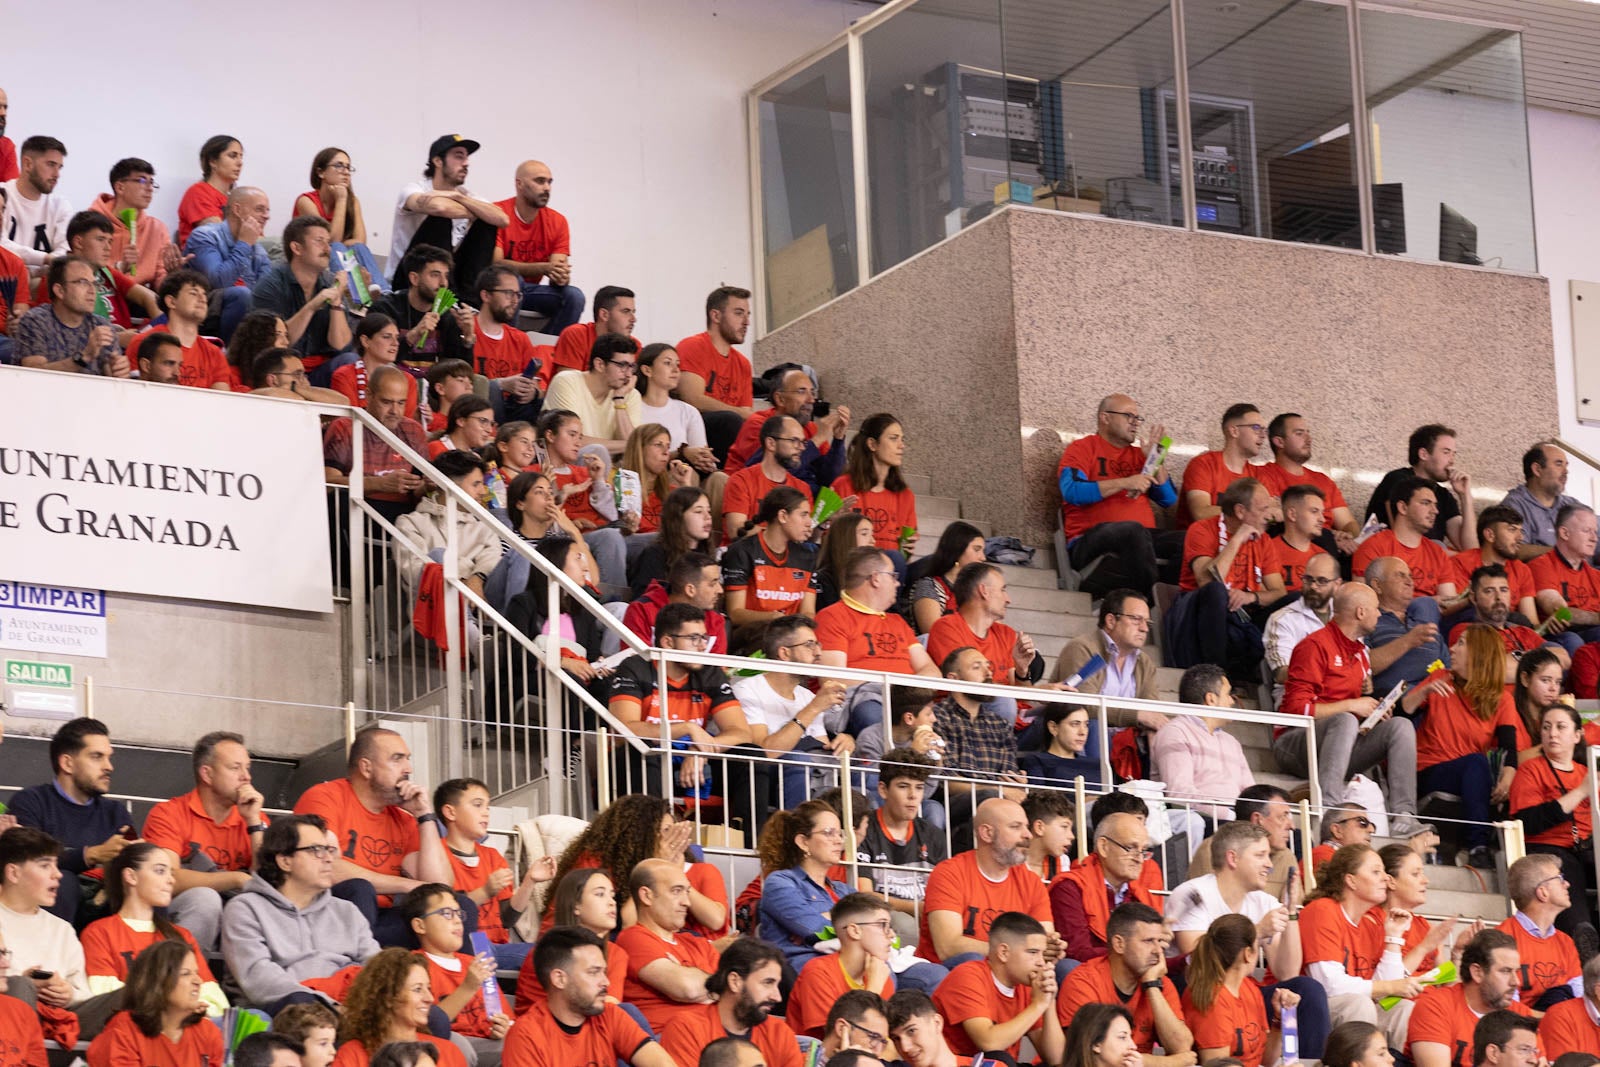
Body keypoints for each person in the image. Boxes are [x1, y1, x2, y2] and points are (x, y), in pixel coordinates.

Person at [1276, 583, 1431, 837]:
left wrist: (1373, 712)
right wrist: (1352, 706)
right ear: (1360, 612)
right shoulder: (1314, 645)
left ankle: (1404, 816)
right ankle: (1329, 809)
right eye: (1375, 610)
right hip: (1293, 745)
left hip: (1338, 746)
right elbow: (1295, 711)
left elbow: (1350, 712)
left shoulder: (1360, 653)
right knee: (1346, 719)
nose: (1380, 615)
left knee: (1400, 726)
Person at [1165, 821, 1328, 1058]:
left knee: (1307, 989)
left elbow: (1287, 972)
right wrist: (1257, 931)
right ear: (1233, 858)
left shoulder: (1264, 901)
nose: (1269, 865)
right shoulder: (1194, 893)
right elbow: (1199, 962)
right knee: (1214, 990)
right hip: (1196, 992)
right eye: (1260, 855)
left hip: (1241, 993)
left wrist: (1291, 912)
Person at [292, 727, 458, 946]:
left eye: (408, 759)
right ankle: (351, 974)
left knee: (454, 908)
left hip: (380, 920)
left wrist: (424, 816)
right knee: (360, 889)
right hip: (322, 912)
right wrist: (407, 886)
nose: (408, 769)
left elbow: (440, 886)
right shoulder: (325, 797)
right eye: (397, 759)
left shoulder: (405, 819)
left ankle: (450, 979)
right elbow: (325, 866)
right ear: (366, 768)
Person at [219, 814, 378, 1012]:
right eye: (316, 850)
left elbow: (377, 967)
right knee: (300, 1001)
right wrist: (328, 1005)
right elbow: (258, 980)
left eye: (329, 850)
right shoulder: (245, 908)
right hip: (285, 1010)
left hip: (349, 1006)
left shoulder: (346, 911)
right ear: (285, 861)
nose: (329, 859)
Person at [137, 731, 265, 957]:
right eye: (235, 768)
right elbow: (167, 879)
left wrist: (254, 823)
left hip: (236, 911)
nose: (246, 777)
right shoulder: (169, 813)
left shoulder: (256, 817)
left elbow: (269, 885)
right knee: (205, 899)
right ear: (207, 774)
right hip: (178, 909)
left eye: (248, 768)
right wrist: (235, 878)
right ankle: (180, 978)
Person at [1404, 624, 1519, 867]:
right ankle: (1477, 846)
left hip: (1470, 778)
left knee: (1502, 777)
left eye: (1461, 644)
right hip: (1428, 772)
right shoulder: (1439, 678)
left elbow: (1510, 749)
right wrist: (1423, 692)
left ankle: (1508, 854)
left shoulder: (1502, 699)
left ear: (1479, 654)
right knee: (1477, 763)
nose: (1452, 649)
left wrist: (1507, 780)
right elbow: (1401, 714)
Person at [544, 795, 727, 941]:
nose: (672, 838)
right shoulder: (596, 861)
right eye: (665, 831)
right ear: (639, 834)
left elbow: (715, 920)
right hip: (567, 940)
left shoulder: (695, 869)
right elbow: (629, 927)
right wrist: (656, 862)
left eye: (673, 830)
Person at [9, 717, 136, 923]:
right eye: (97, 757)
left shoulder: (116, 812)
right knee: (62, 882)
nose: (109, 766)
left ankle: (161, 954)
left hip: (105, 905)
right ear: (67, 763)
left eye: (109, 757)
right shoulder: (30, 802)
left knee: (147, 880)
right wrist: (91, 855)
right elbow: (28, 864)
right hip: (51, 906)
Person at [0, 827, 123, 1036]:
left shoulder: (62, 929)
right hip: (10, 1020)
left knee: (131, 995)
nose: (57, 874)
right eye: (45, 865)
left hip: (63, 1019)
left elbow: (83, 993)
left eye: (56, 865)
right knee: (20, 986)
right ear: (13, 873)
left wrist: (67, 994)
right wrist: (24, 983)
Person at [1297, 844, 1419, 1041]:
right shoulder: (1322, 911)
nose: (1386, 878)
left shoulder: (1369, 924)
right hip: (1306, 1012)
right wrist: (1391, 987)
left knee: (1403, 1009)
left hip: (1353, 1011)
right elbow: (1327, 985)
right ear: (1351, 880)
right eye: (1376, 872)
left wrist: (1394, 938)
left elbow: (1384, 992)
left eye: (1384, 872)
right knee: (1359, 1004)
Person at [503, 926, 673, 1067]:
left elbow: (661, 1063)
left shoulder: (609, 1015)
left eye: (604, 972)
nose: (606, 982)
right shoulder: (526, 1036)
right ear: (559, 979)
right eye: (594, 973)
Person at [1166, 477, 1286, 673]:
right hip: (1200, 613)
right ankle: (1215, 673)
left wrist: (1251, 596)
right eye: (1263, 509)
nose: (1270, 516)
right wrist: (1238, 538)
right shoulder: (1202, 529)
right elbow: (1207, 580)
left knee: (1295, 599)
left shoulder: (1263, 540)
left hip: (1242, 613)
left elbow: (1278, 591)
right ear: (1240, 511)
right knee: (1216, 591)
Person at [918, 798, 1058, 964]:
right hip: (953, 976)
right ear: (987, 833)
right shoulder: (949, 873)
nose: (1028, 834)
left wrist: (1051, 949)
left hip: (1012, 974)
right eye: (1015, 827)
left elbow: (1043, 940)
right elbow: (948, 947)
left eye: (1026, 827)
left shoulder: (1032, 882)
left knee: (1065, 967)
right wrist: (1015, 952)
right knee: (972, 959)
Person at [1053, 901, 1191, 1067]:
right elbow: (1087, 1055)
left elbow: (1182, 1046)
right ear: (1119, 944)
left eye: (1160, 941)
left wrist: (1152, 985)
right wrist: (1168, 1062)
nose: (1158, 951)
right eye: (1148, 941)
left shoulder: (1159, 982)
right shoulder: (1083, 981)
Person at [734, 616, 849, 808]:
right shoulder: (748, 689)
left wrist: (843, 742)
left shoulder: (807, 696)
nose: (818, 653)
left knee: (861, 769)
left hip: (808, 774)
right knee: (798, 760)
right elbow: (764, 752)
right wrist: (813, 708)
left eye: (818, 644)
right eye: (809, 645)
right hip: (767, 778)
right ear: (784, 653)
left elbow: (820, 750)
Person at [434, 779, 547, 970]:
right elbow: (444, 911)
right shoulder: (436, 855)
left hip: (498, 947)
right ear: (450, 812)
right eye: (477, 805)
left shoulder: (492, 856)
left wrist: (530, 881)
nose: (486, 812)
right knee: (481, 943)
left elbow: (506, 920)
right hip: (464, 946)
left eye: (488, 806)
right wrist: (485, 891)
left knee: (557, 952)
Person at [1509, 703, 1597, 945]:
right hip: (1548, 848)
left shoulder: (1587, 772)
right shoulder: (1530, 770)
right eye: (1546, 728)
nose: (1552, 733)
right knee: (1564, 867)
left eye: (1560, 727)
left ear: (1577, 735)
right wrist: (1580, 793)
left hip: (1588, 848)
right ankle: (1582, 933)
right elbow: (1527, 822)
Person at [932, 911, 1065, 1064]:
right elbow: (989, 1043)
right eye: (1033, 953)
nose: (1041, 962)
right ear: (1003, 953)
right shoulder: (968, 976)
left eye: (1043, 954)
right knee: (998, 1058)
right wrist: (1038, 1004)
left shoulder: (1027, 986)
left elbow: (1057, 1058)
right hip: (963, 1063)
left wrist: (1049, 1001)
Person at [403, 882, 512, 1063]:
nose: (457, 920)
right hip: (451, 1044)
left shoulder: (474, 962)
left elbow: (504, 1015)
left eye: (458, 914)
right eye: (446, 914)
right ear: (420, 925)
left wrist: (504, 1027)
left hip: (490, 1043)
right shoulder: (413, 966)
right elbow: (430, 1026)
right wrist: (468, 986)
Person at [613, 858, 721, 1035]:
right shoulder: (633, 938)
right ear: (646, 896)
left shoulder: (698, 943)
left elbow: (735, 993)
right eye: (676, 891)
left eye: (687, 892)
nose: (686, 902)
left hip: (712, 1036)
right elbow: (686, 988)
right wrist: (716, 988)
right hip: (667, 1042)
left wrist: (696, 978)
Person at [389, 135, 508, 292]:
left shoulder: (465, 195)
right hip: (410, 280)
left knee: (487, 223)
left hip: (450, 280)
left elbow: (502, 219)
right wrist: (474, 211)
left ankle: (469, 302)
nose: (466, 163)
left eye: (467, 158)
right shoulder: (414, 189)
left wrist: (456, 196)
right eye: (459, 156)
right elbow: (440, 208)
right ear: (438, 161)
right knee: (441, 220)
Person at [658, 938, 802, 1067]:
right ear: (735, 982)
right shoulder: (686, 1028)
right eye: (767, 983)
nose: (777, 997)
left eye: (777, 985)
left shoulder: (780, 1032)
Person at [1181, 913, 1297, 1067]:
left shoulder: (1249, 988)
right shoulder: (1212, 998)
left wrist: (1278, 1021)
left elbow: (1265, 1061)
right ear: (1247, 954)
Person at [85, 939, 222, 1067]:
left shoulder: (208, 1032)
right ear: (158, 981)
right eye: (186, 974)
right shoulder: (124, 1030)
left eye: (196, 973)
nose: (198, 981)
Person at [250, 215, 354, 384]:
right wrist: (311, 307)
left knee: (349, 360)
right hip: (280, 372)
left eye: (328, 242)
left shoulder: (330, 283)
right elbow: (271, 344)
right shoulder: (271, 284)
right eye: (319, 241)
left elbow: (341, 346)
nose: (327, 248)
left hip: (319, 371)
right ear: (297, 248)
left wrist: (336, 303)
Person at [816, 547, 939, 688]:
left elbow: (932, 672)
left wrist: (904, 694)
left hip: (907, 702)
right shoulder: (832, 617)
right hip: (860, 702)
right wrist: (897, 689)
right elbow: (834, 682)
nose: (898, 583)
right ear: (876, 579)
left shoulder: (898, 622)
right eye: (893, 576)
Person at [1407, 930, 1531, 1067]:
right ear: (1477, 973)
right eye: (1506, 971)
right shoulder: (1435, 1006)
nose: (1516, 982)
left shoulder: (1522, 1015)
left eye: (1517, 972)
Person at [30, 210, 159, 341]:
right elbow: (59, 334)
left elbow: (148, 298)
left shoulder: (106, 272)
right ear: (78, 242)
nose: (108, 247)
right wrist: (117, 338)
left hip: (126, 340)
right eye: (101, 239)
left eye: (110, 241)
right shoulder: (57, 278)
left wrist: (161, 330)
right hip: (96, 350)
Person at [1050, 811, 1161, 963]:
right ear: (1104, 847)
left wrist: (1187, 960)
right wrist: (1134, 955)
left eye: (1143, 851)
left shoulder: (1138, 896)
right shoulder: (1070, 888)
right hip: (1087, 976)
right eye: (1130, 848)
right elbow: (1076, 951)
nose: (1140, 859)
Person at [858, 749, 946, 939]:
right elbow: (864, 894)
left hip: (926, 916)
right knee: (905, 924)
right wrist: (915, 908)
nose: (913, 795)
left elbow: (945, 894)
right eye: (904, 786)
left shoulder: (933, 835)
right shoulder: (864, 830)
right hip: (879, 919)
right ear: (883, 790)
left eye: (919, 787)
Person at [395, 450, 504, 601]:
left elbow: (495, 565)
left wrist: (478, 578)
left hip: (480, 608)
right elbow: (416, 574)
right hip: (433, 611)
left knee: (518, 557)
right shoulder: (410, 523)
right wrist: (467, 575)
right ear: (450, 486)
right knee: (438, 558)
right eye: (476, 484)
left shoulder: (484, 529)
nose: (483, 491)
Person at [323, 365, 429, 522]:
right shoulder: (345, 427)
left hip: (404, 516)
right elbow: (328, 483)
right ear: (368, 395)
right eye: (387, 402)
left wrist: (428, 486)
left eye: (401, 403)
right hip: (356, 510)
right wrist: (379, 484)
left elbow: (419, 487)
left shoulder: (413, 429)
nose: (395, 411)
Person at [331, 948, 468, 1067]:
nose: (429, 999)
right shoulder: (352, 1055)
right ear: (388, 997)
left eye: (428, 989)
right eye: (417, 989)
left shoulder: (449, 1052)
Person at [1152, 665, 1254, 825]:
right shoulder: (1175, 732)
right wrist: (1230, 816)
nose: (1232, 701)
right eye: (1228, 694)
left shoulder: (1231, 742)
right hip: (1206, 819)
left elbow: (1251, 792)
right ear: (1211, 699)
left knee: (1296, 837)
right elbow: (1179, 793)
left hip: (1238, 820)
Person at [726, 366, 850, 495]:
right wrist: (817, 439)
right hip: (753, 496)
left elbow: (829, 478)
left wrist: (838, 440)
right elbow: (775, 471)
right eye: (802, 391)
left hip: (800, 497)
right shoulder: (759, 424)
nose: (811, 400)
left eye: (812, 392)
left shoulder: (810, 428)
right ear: (780, 399)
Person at [787, 894, 897, 1038]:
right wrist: (873, 990)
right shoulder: (818, 972)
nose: (892, 935)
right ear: (854, 931)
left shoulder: (880, 974)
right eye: (882, 925)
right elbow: (840, 1039)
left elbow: (884, 1040)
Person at [515, 868, 626, 1011]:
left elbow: (610, 1010)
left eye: (612, 896)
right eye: (600, 894)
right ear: (575, 905)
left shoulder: (617, 954)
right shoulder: (547, 953)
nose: (612, 902)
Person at [492, 159, 582, 334]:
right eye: (540, 181)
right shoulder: (498, 213)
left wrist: (560, 276)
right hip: (498, 290)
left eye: (549, 182)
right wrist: (545, 267)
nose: (547, 188)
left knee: (574, 296)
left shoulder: (557, 221)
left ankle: (546, 351)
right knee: (512, 281)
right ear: (519, 184)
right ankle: (509, 344)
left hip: (531, 291)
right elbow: (496, 265)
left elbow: (556, 269)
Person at [927, 562, 1044, 693]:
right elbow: (970, 688)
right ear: (984, 591)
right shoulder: (947, 628)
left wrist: (1022, 671)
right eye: (1003, 590)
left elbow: (1020, 698)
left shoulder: (1006, 634)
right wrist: (1040, 689)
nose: (1008, 599)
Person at [1256, 412, 1361, 550]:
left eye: (1308, 433)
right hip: (1292, 549)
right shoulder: (1263, 475)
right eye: (1299, 433)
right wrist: (1329, 536)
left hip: (1334, 551)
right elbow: (1271, 519)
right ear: (1279, 442)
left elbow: (1348, 523)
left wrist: (1348, 537)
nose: (1309, 439)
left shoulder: (1323, 480)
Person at [1364, 424, 1476, 551]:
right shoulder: (1398, 479)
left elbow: (1470, 549)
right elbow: (1404, 542)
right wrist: (1444, 555)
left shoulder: (1444, 496)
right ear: (1423, 454)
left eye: (1454, 454)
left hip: (1427, 565)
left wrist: (1465, 496)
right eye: (1446, 452)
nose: (1452, 460)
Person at [722, 488, 818, 633]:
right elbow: (735, 613)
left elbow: (808, 612)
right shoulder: (742, 551)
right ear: (783, 516)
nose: (809, 523)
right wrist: (773, 618)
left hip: (792, 636)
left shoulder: (807, 555)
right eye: (803, 515)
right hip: (751, 636)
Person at [12, 256, 129, 375]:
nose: (92, 290)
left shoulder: (102, 325)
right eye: (83, 283)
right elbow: (32, 374)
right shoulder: (35, 321)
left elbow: (112, 380)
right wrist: (84, 357)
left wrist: (118, 371)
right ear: (60, 291)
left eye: (94, 284)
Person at [1495, 854, 1584, 1009]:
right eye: (1560, 879)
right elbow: (1506, 1007)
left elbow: (1580, 998)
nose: (1567, 884)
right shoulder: (1502, 938)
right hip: (1522, 1027)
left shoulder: (1565, 942)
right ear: (1542, 892)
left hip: (1562, 1024)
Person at [676, 286, 755, 460]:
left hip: (727, 435)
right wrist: (740, 414)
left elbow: (746, 413)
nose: (747, 322)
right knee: (730, 420)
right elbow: (692, 399)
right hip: (692, 435)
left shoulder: (743, 364)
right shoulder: (693, 346)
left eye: (748, 315)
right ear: (716, 316)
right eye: (739, 313)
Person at [185, 186, 272, 343]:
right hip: (204, 307)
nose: (266, 217)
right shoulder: (205, 236)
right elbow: (218, 281)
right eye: (260, 210)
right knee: (241, 294)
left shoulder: (259, 251)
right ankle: (228, 357)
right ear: (237, 209)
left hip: (245, 314)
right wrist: (244, 244)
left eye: (267, 211)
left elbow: (265, 296)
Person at [295, 146, 383, 297]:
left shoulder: (353, 202)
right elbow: (330, 241)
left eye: (348, 167)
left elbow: (360, 241)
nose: (346, 172)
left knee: (357, 247)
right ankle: (356, 295)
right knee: (336, 245)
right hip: (312, 258)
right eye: (339, 166)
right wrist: (341, 199)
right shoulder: (306, 201)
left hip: (340, 258)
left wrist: (343, 244)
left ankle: (384, 293)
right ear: (320, 172)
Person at [1185, 785, 1299, 898]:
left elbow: (1295, 911)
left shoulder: (1286, 857)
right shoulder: (1214, 850)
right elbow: (1209, 908)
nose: (1292, 826)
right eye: (1282, 817)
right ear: (1258, 820)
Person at [1355, 480, 1460, 599]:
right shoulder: (1373, 546)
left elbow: (1449, 602)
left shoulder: (1438, 553)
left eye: (1435, 505)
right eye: (1426, 503)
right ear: (1403, 507)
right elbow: (1361, 601)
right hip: (1387, 615)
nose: (1435, 511)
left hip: (1431, 616)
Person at [833, 414, 918, 561]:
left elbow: (904, 554)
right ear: (872, 444)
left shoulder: (905, 495)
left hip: (890, 570)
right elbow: (827, 540)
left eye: (902, 439)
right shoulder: (843, 485)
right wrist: (833, 521)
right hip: (853, 566)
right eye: (893, 438)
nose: (901, 445)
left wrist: (908, 550)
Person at [376, 244, 476, 369]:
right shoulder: (385, 308)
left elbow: (459, 373)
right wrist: (414, 334)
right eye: (435, 275)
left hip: (434, 385)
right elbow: (376, 357)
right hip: (394, 381)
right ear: (414, 279)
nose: (443, 283)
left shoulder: (449, 315)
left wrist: (467, 338)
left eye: (446, 276)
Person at [126, 269, 231, 389]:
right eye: (193, 293)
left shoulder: (215, 354)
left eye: (204, 295)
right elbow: (134, 392)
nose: (202, 299)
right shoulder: (143, 342)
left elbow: (221, 400)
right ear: (171, 301)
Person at [1365, 556, 1453, 693]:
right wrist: (1408, 641)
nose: (1410, 582)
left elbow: (1449, 669)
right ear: (1377, 585)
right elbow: (1362, 667)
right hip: (1392, 706)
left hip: (1436, 700)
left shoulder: (1423, 625)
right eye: (1400, 576)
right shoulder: (1366, 620)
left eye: (1410, 577)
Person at [1264, 551, 1341, 707]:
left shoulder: (1346, 616)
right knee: (1345, 719)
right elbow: (1281, 673)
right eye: (1308, 579)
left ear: (1337, 584)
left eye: (1322, 581)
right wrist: (1337, 674)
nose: (1313, 586)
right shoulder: (1282, 619)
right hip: (1298, 700)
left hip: (1342, 698)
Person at [1449, 564, 1552, 677]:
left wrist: (1514, 662)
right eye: (1489, 591)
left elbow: (1562, 657)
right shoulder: (1465, 631)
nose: (1498, 597)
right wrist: (1537, 662)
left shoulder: (1524, 632)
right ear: (1474, 598)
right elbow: (1486, 671)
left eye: (1503, 590)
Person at [546, 333, 642, 452]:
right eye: (622, 365)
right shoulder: (567, 381)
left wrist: (619, 400)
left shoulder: (629, 393)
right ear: (599, 364)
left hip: (606, 468)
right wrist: (628, 445)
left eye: (632, 366)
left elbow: (633, 451)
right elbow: (572, 443)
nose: (628, 374)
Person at [468, 266, 541, 422]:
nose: (515, 301)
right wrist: (500, 385)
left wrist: (531, 392)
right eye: (508, 294)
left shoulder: (521, 339)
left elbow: (537, 386)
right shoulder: (467, 332)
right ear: (486, 295)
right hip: (476, 413)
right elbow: (461, 385)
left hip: (514, 417)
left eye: (517, 295)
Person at [723, 416, 814, 541]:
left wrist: (827, 522)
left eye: (803, 442)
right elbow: (737, 530)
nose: (801, 448)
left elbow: (807, 536)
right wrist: (785, 534)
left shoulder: (802, 488)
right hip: (745, 555)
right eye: (794, 440)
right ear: (771, 443)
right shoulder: (741, 480)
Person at [90, 157, 175, 287]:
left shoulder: (157, 228)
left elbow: (160, 280)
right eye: (142, 180)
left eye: (151, 182)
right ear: (120, 187)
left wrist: (172, 275)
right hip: (103, 297)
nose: (150, 188)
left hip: (142, 301)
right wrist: (120, 268)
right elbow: (85, 271)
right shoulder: (91, 223)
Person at [1178, 403, 1269, 525]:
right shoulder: (1204, 464)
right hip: (1200, 541)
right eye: (1256, 428)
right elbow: (1200, 513)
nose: (1263, 435)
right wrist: (1250, 512)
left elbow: (1268, 515)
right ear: (1234, 431)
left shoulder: (1258, 475)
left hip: (1243, 541)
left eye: (1265, 430)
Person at [1448, 509, 1541, 627]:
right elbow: (1455, 609)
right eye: (1512, 530)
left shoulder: (1522, 569)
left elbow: (1531, 620)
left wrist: (1546, 627)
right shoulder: (1461, 562)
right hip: (1474, 629)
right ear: (1490, 535)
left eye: (1521, 531)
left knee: (1566, 638)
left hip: (1513, 631)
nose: (1520, 537)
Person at [637, 342, 719, 475]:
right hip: (646, 476)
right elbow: (635, 457)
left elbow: (701, 456)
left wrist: (705, 460)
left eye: (678, 364)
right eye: (668, 363)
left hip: (683, 475)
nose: (676, 370)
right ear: (647, 370)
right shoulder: (633, 408)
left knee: (718, 478)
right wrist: (682, 453)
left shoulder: (688, 411)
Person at [624, 550, 729, 653]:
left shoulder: (716, 621)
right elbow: (634, 660)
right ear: (690, 590)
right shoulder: (642, 610)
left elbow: (718, 669)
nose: (720, 590)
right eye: (712, 584)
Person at [1529, 504, 1600, 649]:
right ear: (1565, 533)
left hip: (1592, 633)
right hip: (1559, 636)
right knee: (1572, 640)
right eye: (1587, 531)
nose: (1594, 538)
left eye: (1595, 532)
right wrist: (1597, 617)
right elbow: (1561, 613)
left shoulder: (1595, 575)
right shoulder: (1542, 565)